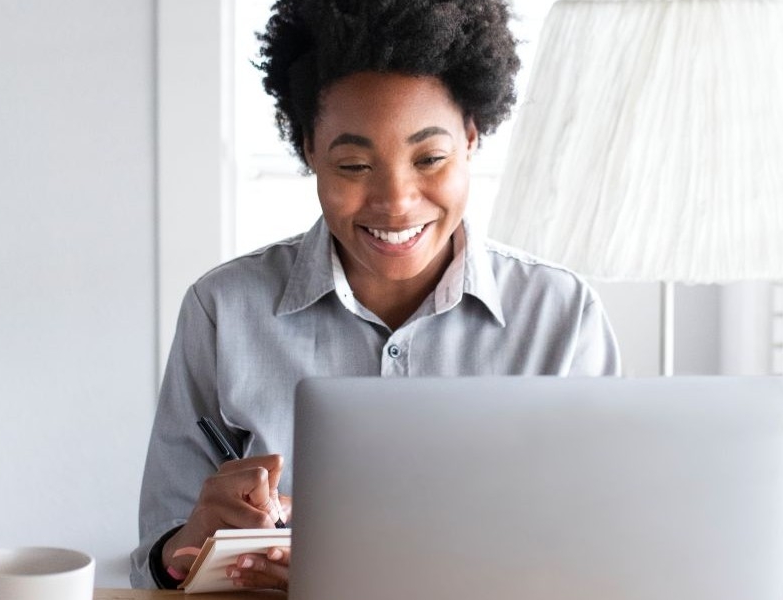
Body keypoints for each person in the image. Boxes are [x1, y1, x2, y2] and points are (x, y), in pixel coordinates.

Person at [130, 0, 620, 591]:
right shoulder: (223, 310)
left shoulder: (561, 316)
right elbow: (154, 565)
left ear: (471, 137)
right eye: (355, 164)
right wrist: (189, 543)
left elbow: (602, 550)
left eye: (429, 159)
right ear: (310, 148)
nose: (395, 201)